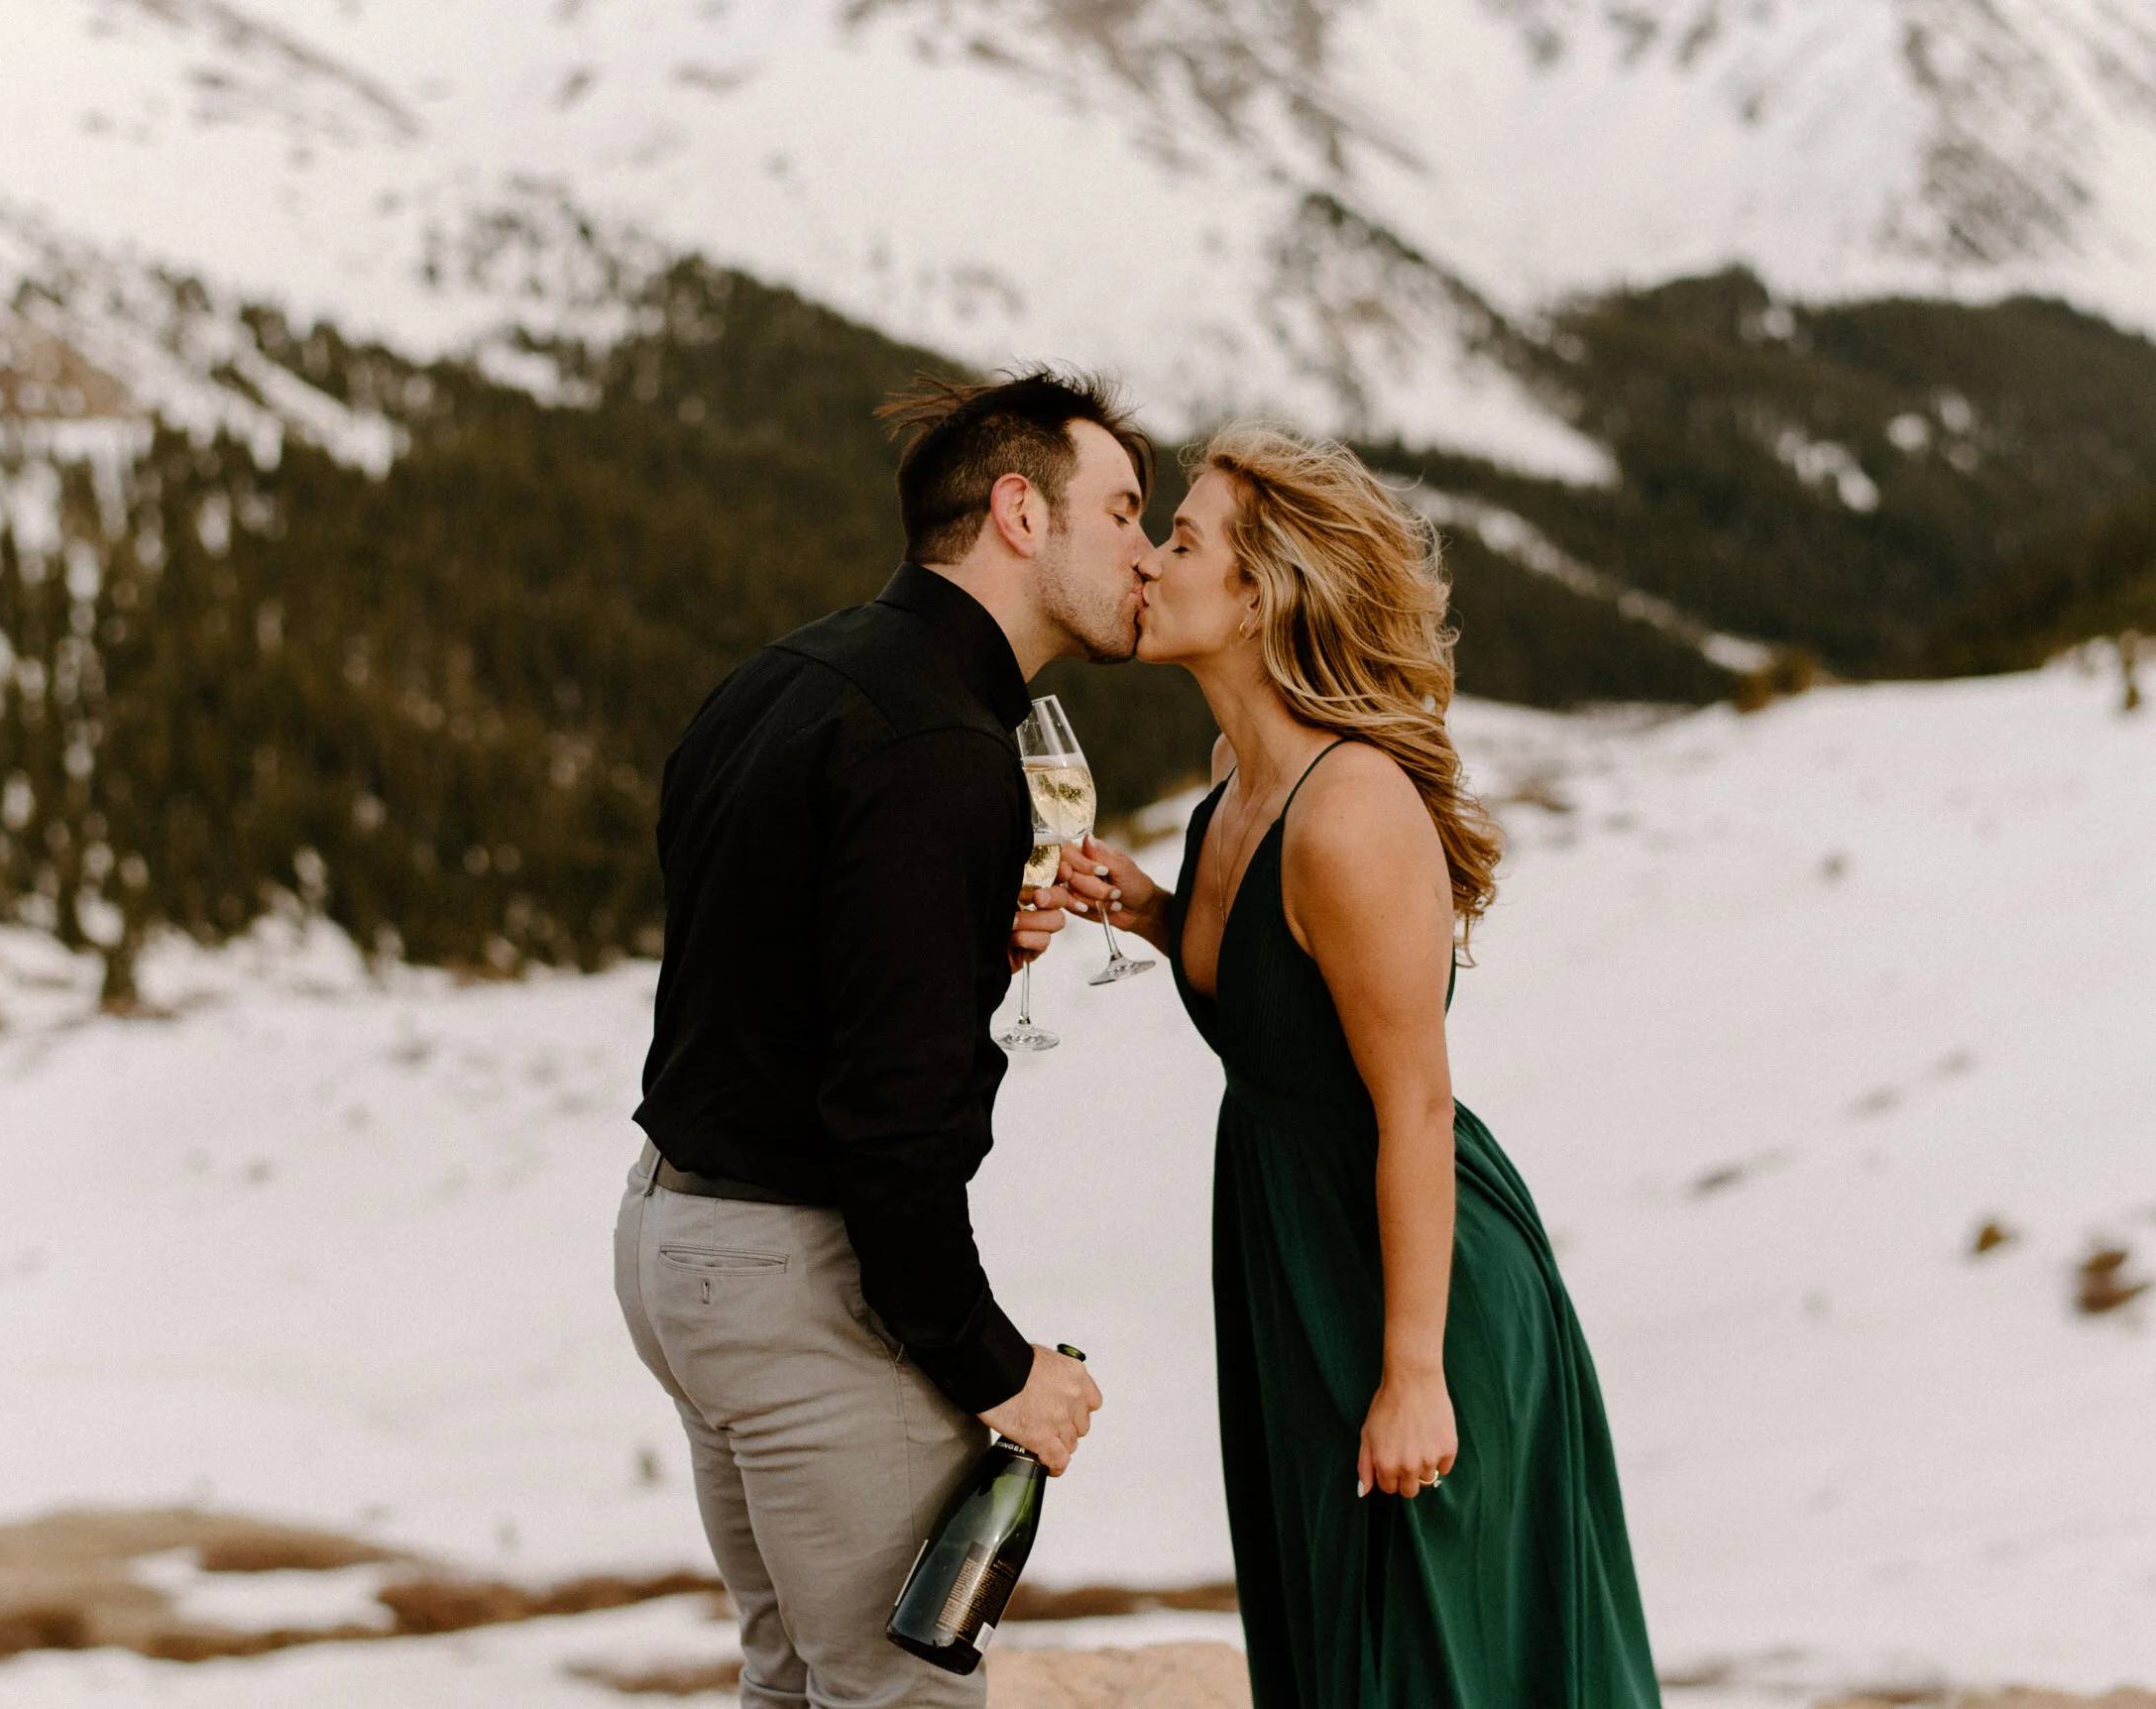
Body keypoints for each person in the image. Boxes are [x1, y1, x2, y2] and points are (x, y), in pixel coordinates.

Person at [1063, 426, 1662, 1707]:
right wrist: (1156, 912)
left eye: (1182, 542)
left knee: (1430, 1659)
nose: (1150, 562)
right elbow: (1288, 1004)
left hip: (1407, 1275)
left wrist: (1412, 1373)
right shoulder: (1234, 789)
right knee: (1337, 1641)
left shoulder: (1352, 811)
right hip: (1292, 1253)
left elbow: (1415, 1104)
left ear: (1262, 591)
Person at [617, 371, 1146, 1709]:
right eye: (1128, 511)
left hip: (677, 1237)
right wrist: (997, 1370)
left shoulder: (789, 676)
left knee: (794, 1676)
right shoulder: (936, 746)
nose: (1147, 552)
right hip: (797, 1275)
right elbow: (889, 1128)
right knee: (896, 1692)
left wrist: (962, 940)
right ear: (1020, 513)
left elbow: (762, 959)